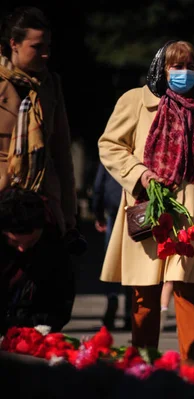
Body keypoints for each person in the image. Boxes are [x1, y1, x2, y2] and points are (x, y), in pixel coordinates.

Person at [97, 40, 194, 364]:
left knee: (189, 290)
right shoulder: (134, 101)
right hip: (149, 208)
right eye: (176, 66)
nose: (184, 73)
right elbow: (110, 146)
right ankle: (143, 367)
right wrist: (140, 174)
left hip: (192, 214)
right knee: (144, 294)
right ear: (162, 68)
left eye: (190, 66)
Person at [0, 6, 84, 254]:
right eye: (37, 47)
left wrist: (68, 214)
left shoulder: (50, 85)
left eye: (48, 47)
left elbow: (61, 153)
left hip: (42, 200)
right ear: (14, 43)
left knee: (46, 287)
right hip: (4, 197)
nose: (45, 54)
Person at [0, 187, 75, 334]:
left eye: (31, 242)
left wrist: (39, 328)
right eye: (15, 242)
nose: (22, 249)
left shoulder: (54, 247)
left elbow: (61, 302)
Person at [92, 162, 131, 331]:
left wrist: (98, 212)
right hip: (136, 211)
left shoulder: (111, 148)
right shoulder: (140, 147)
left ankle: (112, 299)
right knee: (132, 263)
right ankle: (130, 311)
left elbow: (98, 185)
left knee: (112, 260)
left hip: (114, 211)